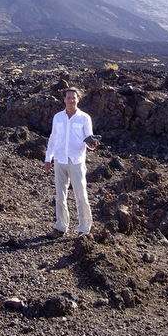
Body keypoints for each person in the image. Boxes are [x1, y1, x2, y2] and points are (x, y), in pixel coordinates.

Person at [44, 87, 99, 238]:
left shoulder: (84, 118)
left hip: (76, 161)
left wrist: (92, 145)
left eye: (74, 98)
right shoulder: (58, 117)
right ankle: (60, 227)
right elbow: (53, 137)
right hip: (60, 160)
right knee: (60, 196)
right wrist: (48, 158)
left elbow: (89, 138)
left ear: (78, 99)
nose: (71, 100)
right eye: (68, 98)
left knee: (81, 195)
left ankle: (84, 229)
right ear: (64, 99)